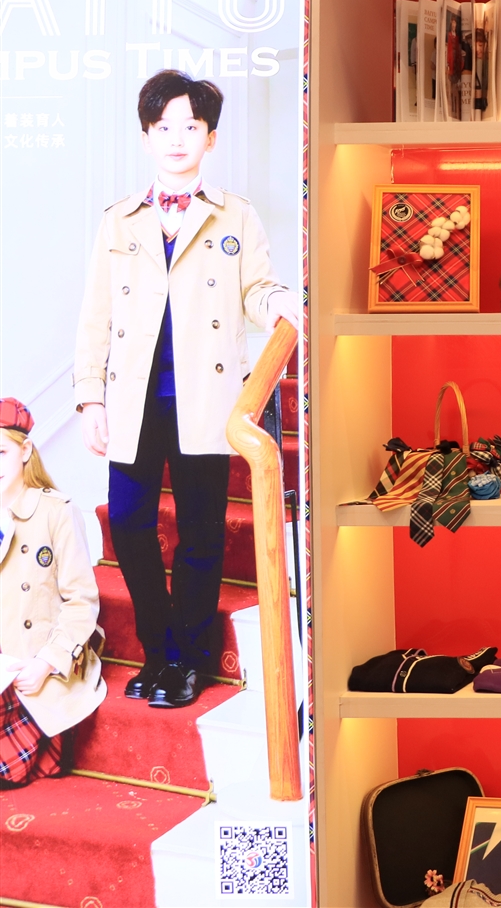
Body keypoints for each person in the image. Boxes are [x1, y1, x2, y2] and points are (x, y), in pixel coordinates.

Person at [73, 71, 297, 711]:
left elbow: (256, 289)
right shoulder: (119, 221)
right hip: (133, 401)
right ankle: (160, 651)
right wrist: (90, 398)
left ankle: (191, 662)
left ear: (210, 138)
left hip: (206, 400)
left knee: (200, 534)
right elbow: (94, 317)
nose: (177, 138)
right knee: (130, 524)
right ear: (147, 136)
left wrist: (278, 301)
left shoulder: (236, 215)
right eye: (163, 126)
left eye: (190, 127)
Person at [0, 398, 105, 788]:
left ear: (25, 450)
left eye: (1, 452)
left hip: (39, 668)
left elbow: (81, 602)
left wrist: (46, 663)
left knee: (8, 771)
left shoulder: (57, 512)